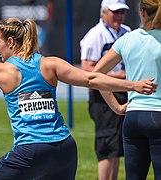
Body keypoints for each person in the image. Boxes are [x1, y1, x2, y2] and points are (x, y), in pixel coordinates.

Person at [0, 18, 157, 180]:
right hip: (66, 149)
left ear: (11, 41)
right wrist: (132, 84)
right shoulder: (50, 64)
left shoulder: (5, 71)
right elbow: (92, 79)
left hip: (32, 151)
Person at [93, 0, 161, 179]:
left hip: (133, 118)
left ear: (142, 12)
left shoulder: (126, 39)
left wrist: (116, 106)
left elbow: (96, 75)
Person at [80, 0, 130, 179]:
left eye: (122, 12)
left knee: (117, 146)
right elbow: (87, 70)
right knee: (106, 144)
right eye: (115, 12)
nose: (119, 16)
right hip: (103, 96)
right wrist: (120, 77)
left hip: (124, 93)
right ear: (104, 12)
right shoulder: (95, 35)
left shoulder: (127, 32)